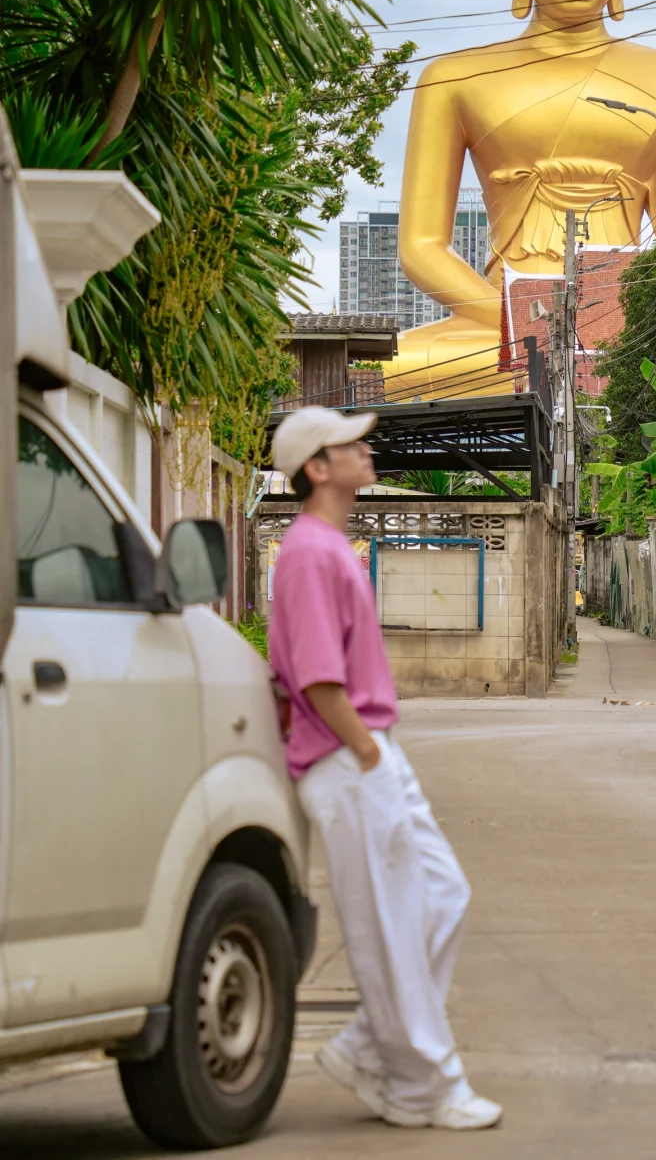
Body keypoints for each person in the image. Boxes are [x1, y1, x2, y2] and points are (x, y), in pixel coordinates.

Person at [268, 406, 501, 1131]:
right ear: (318, 468)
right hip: (348, 753)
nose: (366, 450)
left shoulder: (327, 545)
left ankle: (370, 1045)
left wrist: (375, 750)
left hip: (367, 748)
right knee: (391, 922)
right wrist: (366, 752)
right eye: (350, 444)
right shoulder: (310, 552)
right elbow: (317, 678)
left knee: (442, 895)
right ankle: (425, 1084)